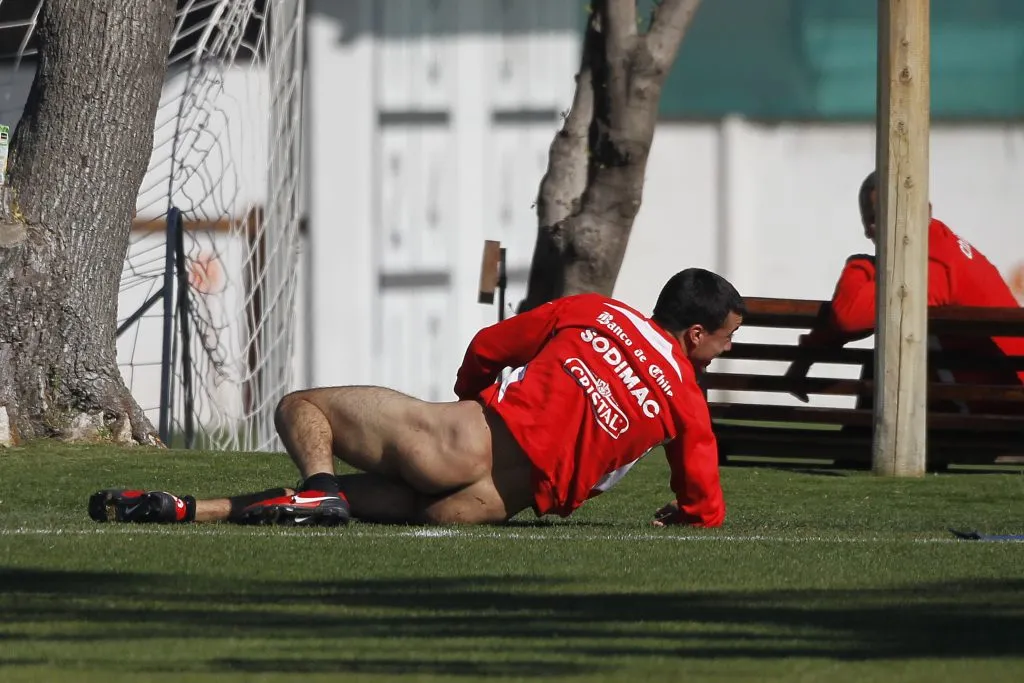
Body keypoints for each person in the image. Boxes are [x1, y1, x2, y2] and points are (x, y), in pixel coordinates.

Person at [89, 268, 745, 528]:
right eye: (727, 338)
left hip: (460, 439)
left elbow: (490, 345)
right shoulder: (685, 399)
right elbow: (704, 495)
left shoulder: (596, 311)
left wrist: (467, 402)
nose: (726, 349)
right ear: (694, 332)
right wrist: (686, 514)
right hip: (484, 504)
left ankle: (313, 483)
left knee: (301, 406)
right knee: (351, 504)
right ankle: (191, 508)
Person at [785, 170, 1024, 409]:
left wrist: (859, 263)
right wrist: (807, 354)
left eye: (894, 213)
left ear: (925, 212)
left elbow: (850, 317)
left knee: (889, 351)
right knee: (891, 343)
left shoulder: (932, 265)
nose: (885, 226)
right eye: (876, 218)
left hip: (1004, 411)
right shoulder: (936, 246)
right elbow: (859, 314)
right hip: (990, 401)